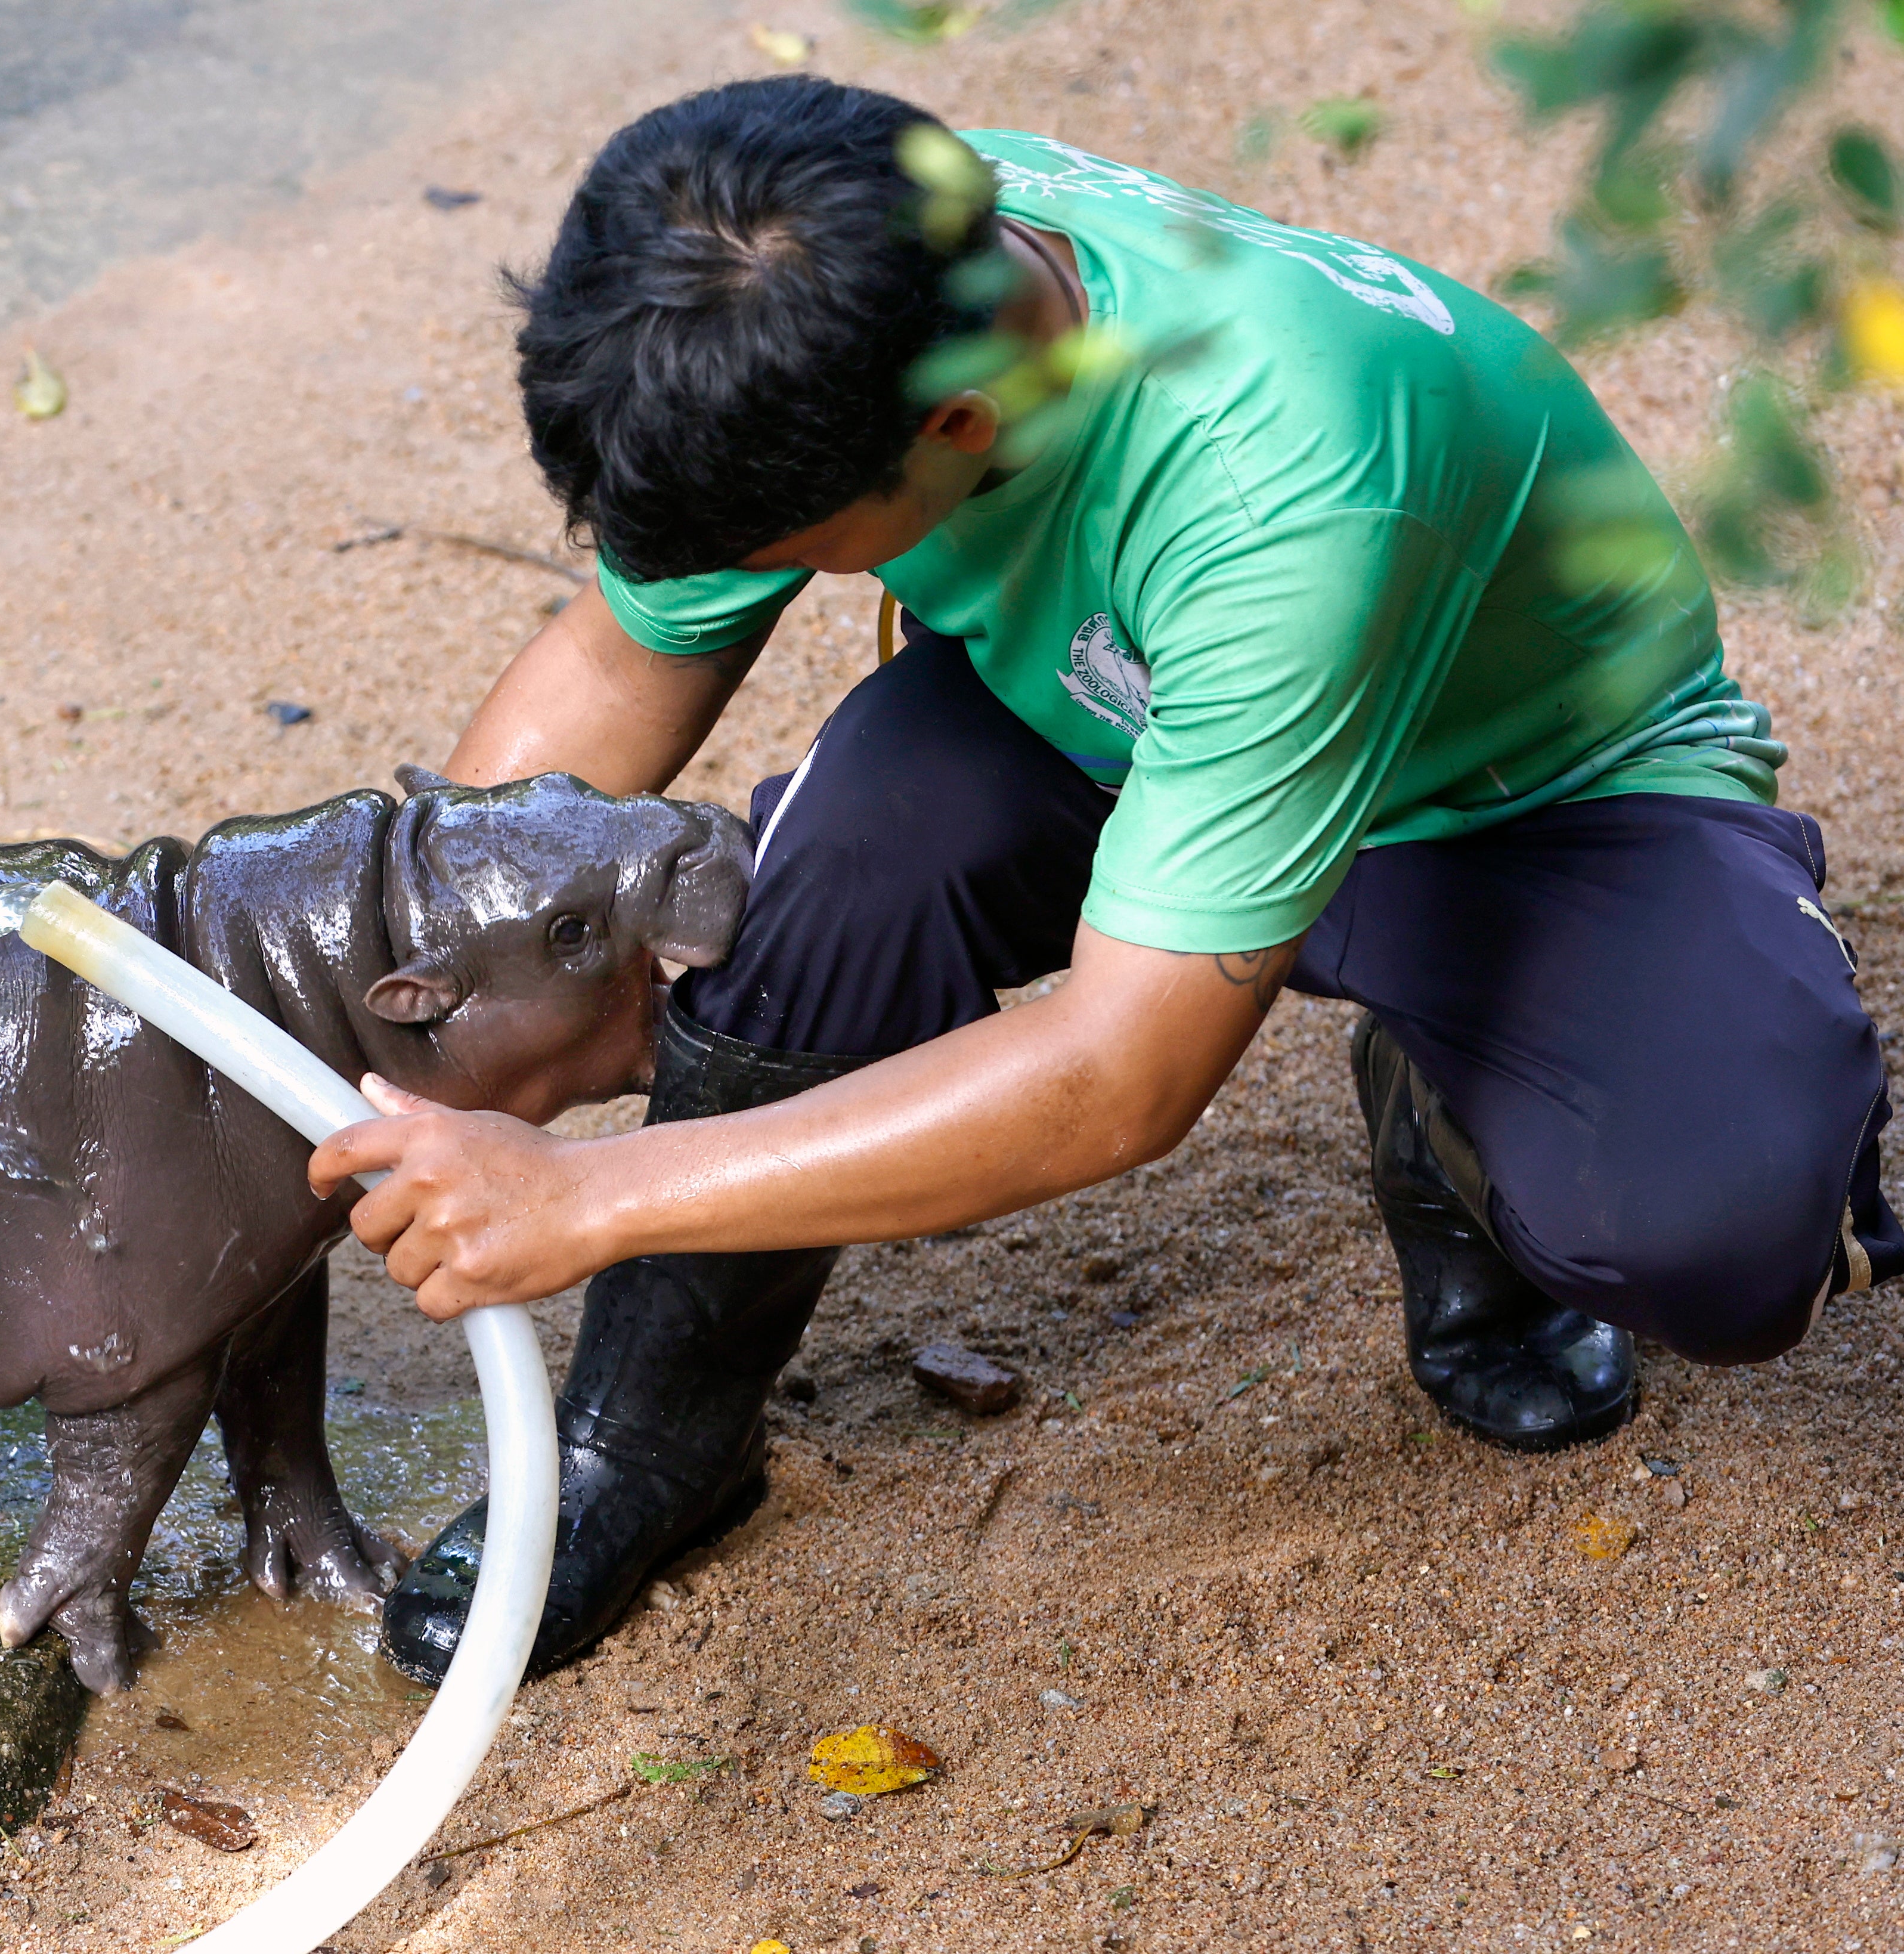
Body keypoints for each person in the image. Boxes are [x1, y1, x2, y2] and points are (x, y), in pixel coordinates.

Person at [307, 76, 1900, 1686]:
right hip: (1118, 707)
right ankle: (644, 1447)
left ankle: (1450, 1112)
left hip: (1516, 797)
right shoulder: (792, 276)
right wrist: (402, 966)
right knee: (846, 865)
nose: (764, 579)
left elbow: (1118, 1082)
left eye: (803, 550)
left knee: (1723, 1222)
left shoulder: (1293, 471)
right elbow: (611, 664)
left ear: (958, 429)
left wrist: (587, 1198)